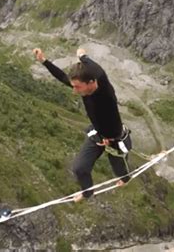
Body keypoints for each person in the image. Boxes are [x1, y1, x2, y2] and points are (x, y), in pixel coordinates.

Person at [33, 47, 132, 202]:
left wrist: (84, 56)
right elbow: (63, 77)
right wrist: (44, 61)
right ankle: (87, 192)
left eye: (77, 87)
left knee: (121, 172)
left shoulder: (105, 91)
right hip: (98, 134)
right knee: (80, 169)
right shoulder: (83, 86)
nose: (74, 91)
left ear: (92, 82)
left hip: (114, 136)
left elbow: (98, 69)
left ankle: (125, 178)